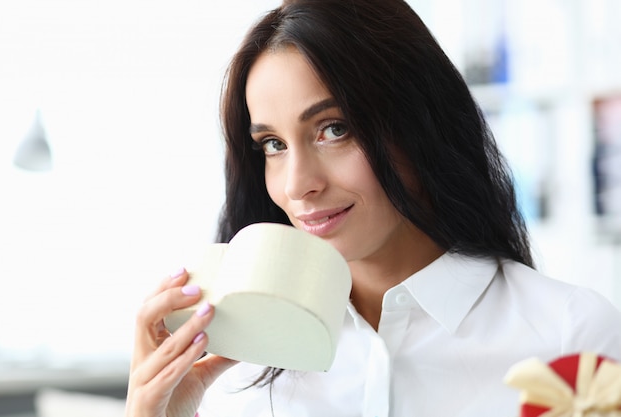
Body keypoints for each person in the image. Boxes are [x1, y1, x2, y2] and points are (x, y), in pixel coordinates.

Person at [125, 0, 621, 416]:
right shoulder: (237, 370)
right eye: (273, 144)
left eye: (334, 129)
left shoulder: (569, 336)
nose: (297, 185)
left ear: (420, 123)